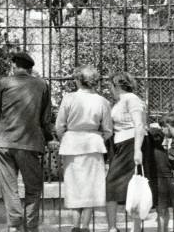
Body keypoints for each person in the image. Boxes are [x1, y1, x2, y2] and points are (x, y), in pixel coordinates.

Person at [0, 50, 55, 232]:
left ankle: (14, 222)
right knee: (34, 187)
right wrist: (49, 138)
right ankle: (31, 226)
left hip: (3, 140)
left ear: (14, 65)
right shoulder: (42, 85)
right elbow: (45, 119)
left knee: (9, 186)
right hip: (29, 142)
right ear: (30, 68)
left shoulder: (4, 83)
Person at [54, 64, 112, 232]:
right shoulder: (102, 101)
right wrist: (96, 137)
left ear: (79, 80)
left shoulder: (69, 98)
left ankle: (75, 225)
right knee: (91, 187)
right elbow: (108, 130)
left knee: (74, 186)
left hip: (71, 144)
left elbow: (59, 126)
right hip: (94, 144)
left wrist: (64, 138)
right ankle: (86, 226)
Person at [105, 71, 155, 232]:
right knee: (119, 185)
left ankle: (133, 227)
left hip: (131, 143)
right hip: (121, 145)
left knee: (130, 184)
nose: (110, 89)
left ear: (117, 85)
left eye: (111, 85)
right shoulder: (121, 101)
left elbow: (139, 125)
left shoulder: (132, 99)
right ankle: (114, 227)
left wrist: (137, 150)